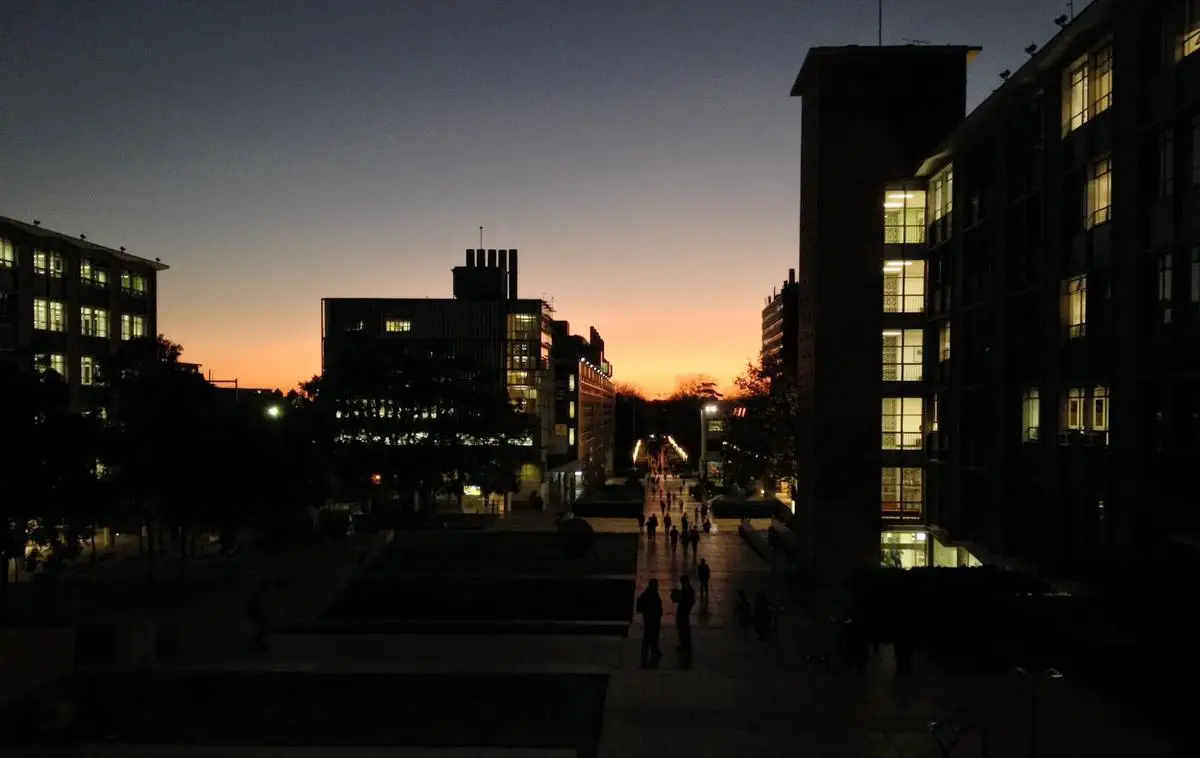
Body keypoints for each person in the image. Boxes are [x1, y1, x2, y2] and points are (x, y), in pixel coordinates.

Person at [636, 578, 664, 665]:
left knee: (651, 637)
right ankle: (651, 652)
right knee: (649, 637)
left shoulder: (649, 594)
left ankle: (652, 651)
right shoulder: (650, 595)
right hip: (651, 619)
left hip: (652, 619)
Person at [671, 576, 696, 654]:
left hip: (683, 611)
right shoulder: (688, 588)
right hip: (684, 611)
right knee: (684, 628)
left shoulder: (687, 589)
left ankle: (684, 644)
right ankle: (685, 644)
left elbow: (685, 600)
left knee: (683, 628)